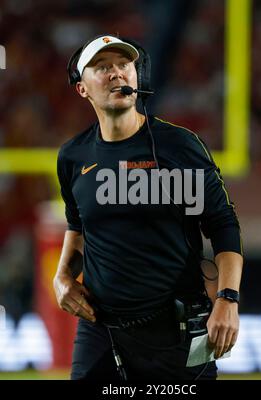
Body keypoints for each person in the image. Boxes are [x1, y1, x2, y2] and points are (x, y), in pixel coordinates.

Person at [53, 34, 243, 381]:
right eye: (102, 67)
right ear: (82, 88)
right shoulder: (72, 156)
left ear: (138, 77)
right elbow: (77, 225)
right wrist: (63, 275)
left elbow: (223, 224)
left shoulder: (180, 147)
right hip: (101, 329)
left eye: (124, 64)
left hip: (176, 329)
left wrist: (228, 299)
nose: (117, 73)